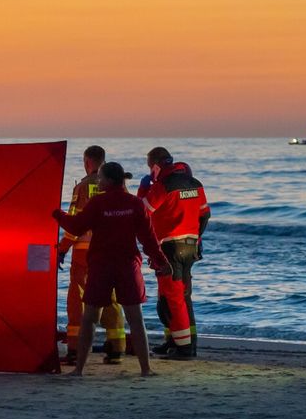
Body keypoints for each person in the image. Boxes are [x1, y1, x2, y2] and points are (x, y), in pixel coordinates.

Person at [51, 162, 171, 377]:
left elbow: (76, 226)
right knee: (136, 318)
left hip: (101, 266)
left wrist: (57, 214)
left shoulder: (98, 203)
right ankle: (146, 369)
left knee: (89, 318)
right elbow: (149, 240)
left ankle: (78, 370)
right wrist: (162, 262)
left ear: (109, 180)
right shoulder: (135, 204)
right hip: (128, 266)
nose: (98, 181)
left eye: (101, 178)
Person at [56, 145, 127, 364]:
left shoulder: (83, 187)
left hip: (84, 252)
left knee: (78, 298)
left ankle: (76, 349)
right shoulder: (119, 187)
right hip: (112, 250)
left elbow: (75, 222)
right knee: (111, 297)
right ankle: (116, 347)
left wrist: (62, 248)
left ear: (87, 162)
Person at [138, 146, 209, 359]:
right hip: (190, 245)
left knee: (173, 297)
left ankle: (184, 348)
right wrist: (197, 238)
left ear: (156, 166)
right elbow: (205, 215)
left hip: (170, 247)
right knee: (180, 296)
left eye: (151, 168)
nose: (151, 172)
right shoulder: (195, 184)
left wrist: (143, 190)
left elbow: (142, 212)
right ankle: (177, 340)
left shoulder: (163, 186)